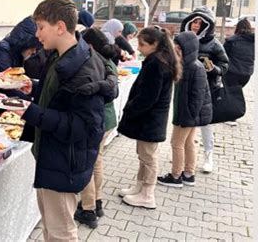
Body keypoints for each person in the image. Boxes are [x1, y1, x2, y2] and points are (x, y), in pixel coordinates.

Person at [15, 0, 117, 240]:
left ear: (60, 27)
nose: (37, 34)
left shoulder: (82, 69)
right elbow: (60, 96)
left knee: (61, 233)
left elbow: (82, 126)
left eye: (41, 27)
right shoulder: (62, 55)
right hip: (53, 158)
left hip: (64, 163)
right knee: (52, 228)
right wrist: (35, 88)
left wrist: (30, 113)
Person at [117, 26, 181, 209]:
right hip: (150, 119)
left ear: (155, 45)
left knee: (149, 156)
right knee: (143, 154)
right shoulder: (158, 60)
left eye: (142, 44)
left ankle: (147, 194)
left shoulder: (157, 64)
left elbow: (148, 97)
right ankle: (139, 186)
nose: (138, 48)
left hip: (150, 119)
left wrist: (130, 108)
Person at [74, 27, 119, 228]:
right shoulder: (108, 60)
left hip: (98, 119)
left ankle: (88, 209)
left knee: (87, 165)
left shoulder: (94, 61)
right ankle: (97, 201)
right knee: (97, 161)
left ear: (90, 45)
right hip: (107, 119)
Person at [157, 31, 212, 188]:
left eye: (179, 49)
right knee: (188, 142)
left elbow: (198, 96)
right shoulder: (186, 65)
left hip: (188, 114)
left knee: (177, 143)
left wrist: (189, 117)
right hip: (188, 113)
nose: (176, 52)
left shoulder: (195, 67)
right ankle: (189, 173)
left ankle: (176, 176)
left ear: (188, 49)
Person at [180, 6, 229, 173]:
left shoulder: (214, 44)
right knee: (185, 123)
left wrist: (213, 68)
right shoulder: (183, 39)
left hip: (207, 88)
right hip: (185, 87)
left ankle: (209, 155)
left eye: (200, 22)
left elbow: (225, 64)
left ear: (208, 25)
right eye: (194, 21)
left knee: (205, 124)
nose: (196, 25)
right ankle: (184, 154)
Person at [223, 18, 255, 88]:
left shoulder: (231, 41)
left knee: (231, 94)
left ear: (237, 28)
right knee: (237, 93)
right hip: (247, 74)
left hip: (231, 73)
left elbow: (223, 56)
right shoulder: (254, 42)